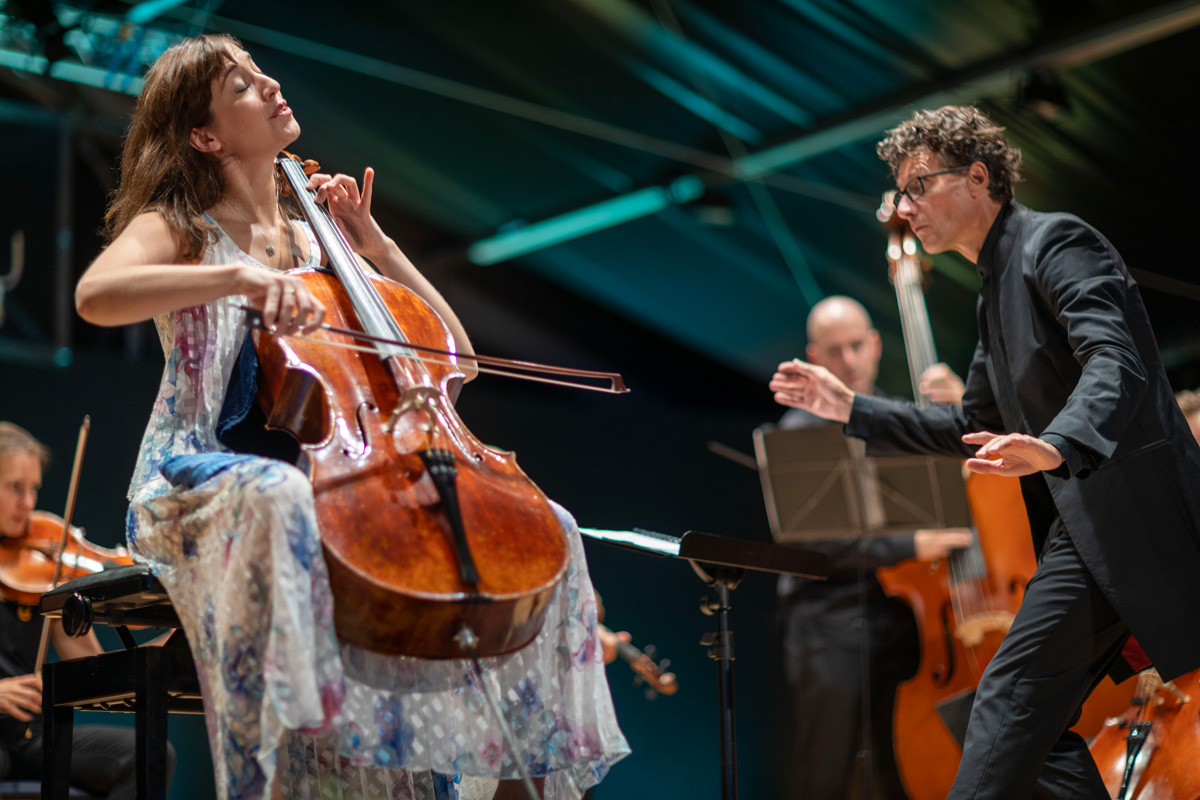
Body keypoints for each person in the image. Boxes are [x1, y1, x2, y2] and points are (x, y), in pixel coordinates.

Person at [74, 34, 627, 800]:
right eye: (242, 85)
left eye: (260, 71)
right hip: (204, 471)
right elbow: (95, 297)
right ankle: (311, 740)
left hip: (329, 474)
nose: (271, 84)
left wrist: (379, 247)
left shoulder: (318, 242)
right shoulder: (183, 227)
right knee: (283, 497)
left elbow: (456, 361)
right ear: (204, 136)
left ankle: (515, 779)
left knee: (550, 527)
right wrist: (238, 279)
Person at [770, 105, 1200, 799]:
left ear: (977, 177)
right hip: (1088, 532)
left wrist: (1056, 444)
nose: (905, 207)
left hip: (1127, 522)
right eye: (900, 193)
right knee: (1020, 724)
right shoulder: (993, 292)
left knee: (1003, 704)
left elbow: (1114, 360)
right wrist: (849, 407)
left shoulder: (1056, 243)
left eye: (918, 186)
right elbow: (968, 425)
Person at [772, 296, 970, 800]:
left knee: (897, 768)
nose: (849, 361)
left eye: (857, 345)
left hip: (903, 618)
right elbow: (816, 546)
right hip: (828, 622)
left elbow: (968, 486)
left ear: (876, 344)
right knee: (827, 772)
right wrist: (911, 542)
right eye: (834, 351)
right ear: (814, 357)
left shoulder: (901, 419)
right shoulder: (797, 432)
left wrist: (962, 410)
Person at [0, 422, 176, 798]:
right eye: (15, 487)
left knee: (149, 754)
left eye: (33, 489)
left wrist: (168, 645)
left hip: (28, 739)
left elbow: (96, 670)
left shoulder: (42, 575)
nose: (28, 503)